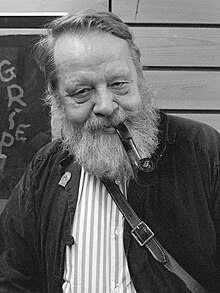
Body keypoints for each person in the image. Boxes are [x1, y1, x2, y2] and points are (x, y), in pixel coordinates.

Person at [0, 9, 219, 293]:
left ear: (139, 79)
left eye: (118, 84)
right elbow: (13, 277)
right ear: (56, 99)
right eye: (81, 92)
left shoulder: (201, 151)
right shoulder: (45, 169)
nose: (105, 105)